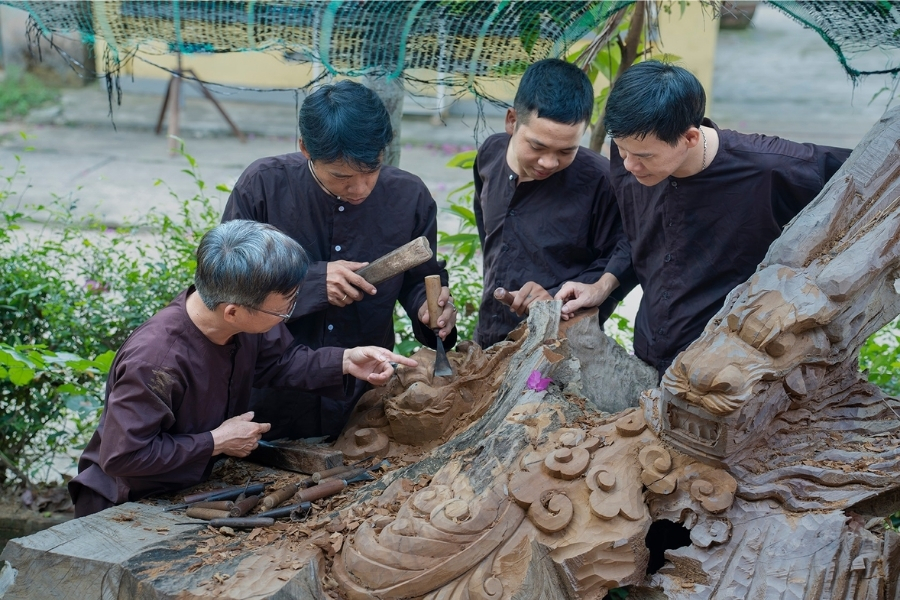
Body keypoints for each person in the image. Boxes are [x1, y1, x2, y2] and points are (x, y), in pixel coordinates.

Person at [67, 220, 416, 517]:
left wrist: (345, 360)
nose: (288, 314)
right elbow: (124, 456)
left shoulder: (239, 320)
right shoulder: (156, 361)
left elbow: (280, 361)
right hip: (124, 500)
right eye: (282, 310)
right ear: (233, 311)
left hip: (187, 489)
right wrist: (215, 441)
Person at [556, 60, 851, 378]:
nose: (628, 166)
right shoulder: (631, 151)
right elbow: (638, 230)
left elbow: (876, 178)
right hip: (648, 356)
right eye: (622, 150)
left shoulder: (773, 168)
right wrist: (603, 284)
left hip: (730, 376)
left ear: (691, 138)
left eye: (643, 157)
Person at [222, 80, 457, 440]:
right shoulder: (263, 187)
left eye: (372, 170)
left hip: (362, 402)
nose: (360, 188)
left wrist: (429, 310)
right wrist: (312, 281)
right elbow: (226, 286)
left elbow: (418, 281)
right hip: (271, 401)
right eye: (341, 176)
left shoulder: (409, 197)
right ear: (304, 149)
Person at [472, 58, 631, 348]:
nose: (548, 162)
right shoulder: (489, 154)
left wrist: (556, 296)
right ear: (511, 121)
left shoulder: (602, 182)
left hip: (559, 347)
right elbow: (489, 235)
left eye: (566, 151)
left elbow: (624, 257)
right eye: (537, 146)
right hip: (488, 335)